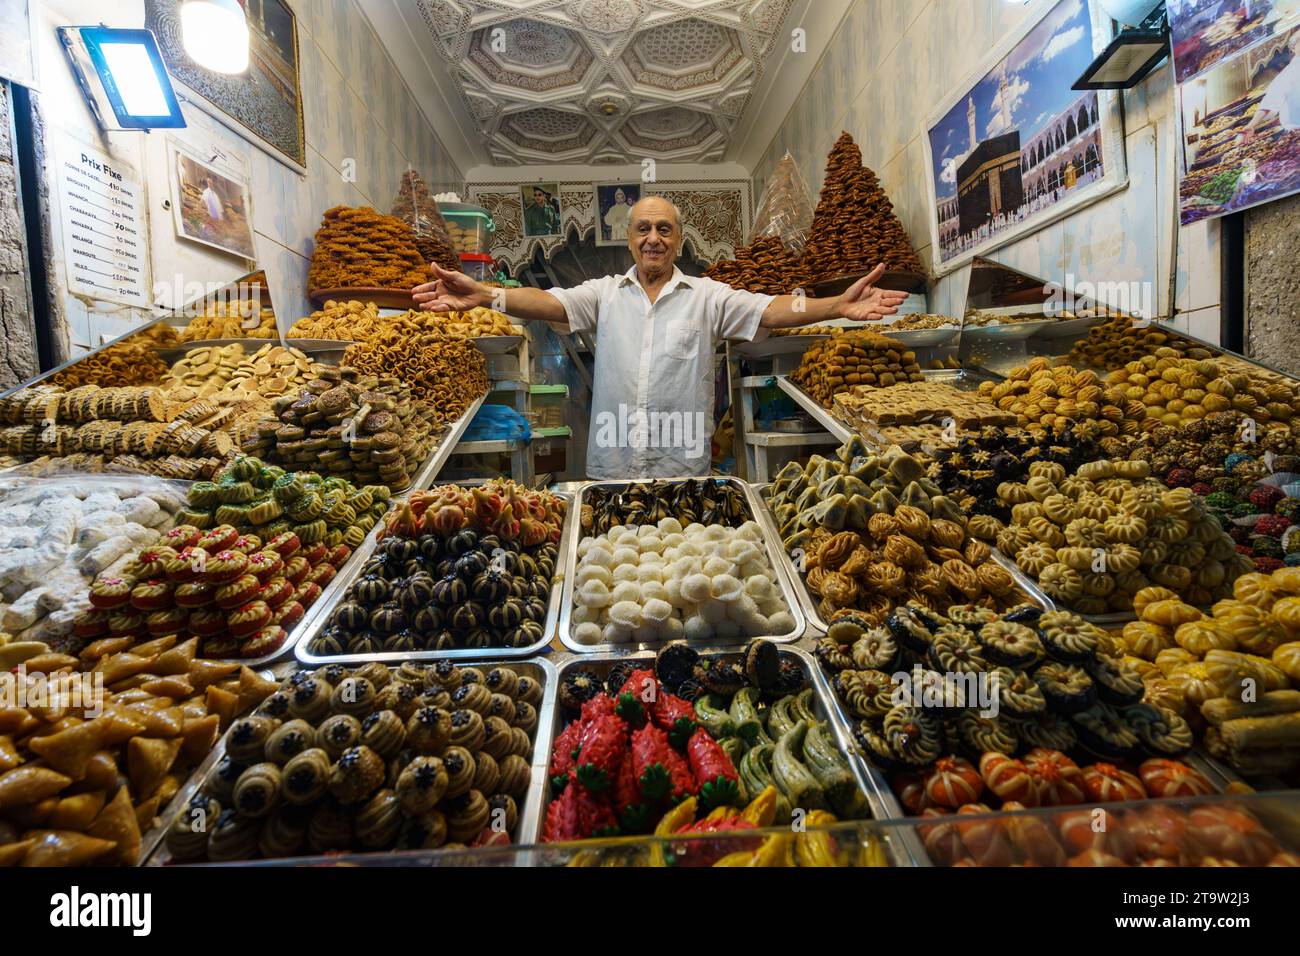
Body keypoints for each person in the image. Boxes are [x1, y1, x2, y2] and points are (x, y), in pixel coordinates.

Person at [414, 195, 907, 479]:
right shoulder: (604, 294)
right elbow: (547, 302)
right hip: (612, 465)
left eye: (665, 229)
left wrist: (836, 305)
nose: (654, 237)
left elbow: (774, 310)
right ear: (630, 239)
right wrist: (485, 295)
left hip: (681, 465)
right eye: (644, 228)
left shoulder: (708, 296)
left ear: (678, 240)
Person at [1238, 31, 1300, 144]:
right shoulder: (1289, 73)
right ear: (1293, 48)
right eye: (1299, 40)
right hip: (1297, 132)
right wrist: (1251, 125)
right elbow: (1269, 102)